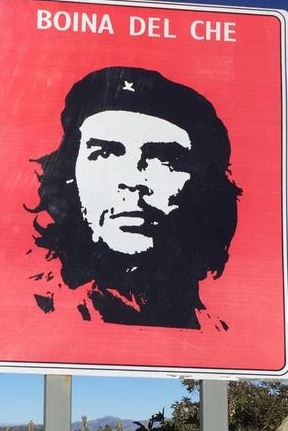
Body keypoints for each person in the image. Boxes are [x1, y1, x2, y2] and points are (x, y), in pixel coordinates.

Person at [29, 66, 241, 329]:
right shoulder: (35, 310)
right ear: (70, 173)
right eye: (104, 153)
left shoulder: (214, 329)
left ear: (203, 187)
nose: (132, 181)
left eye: (164, 159)